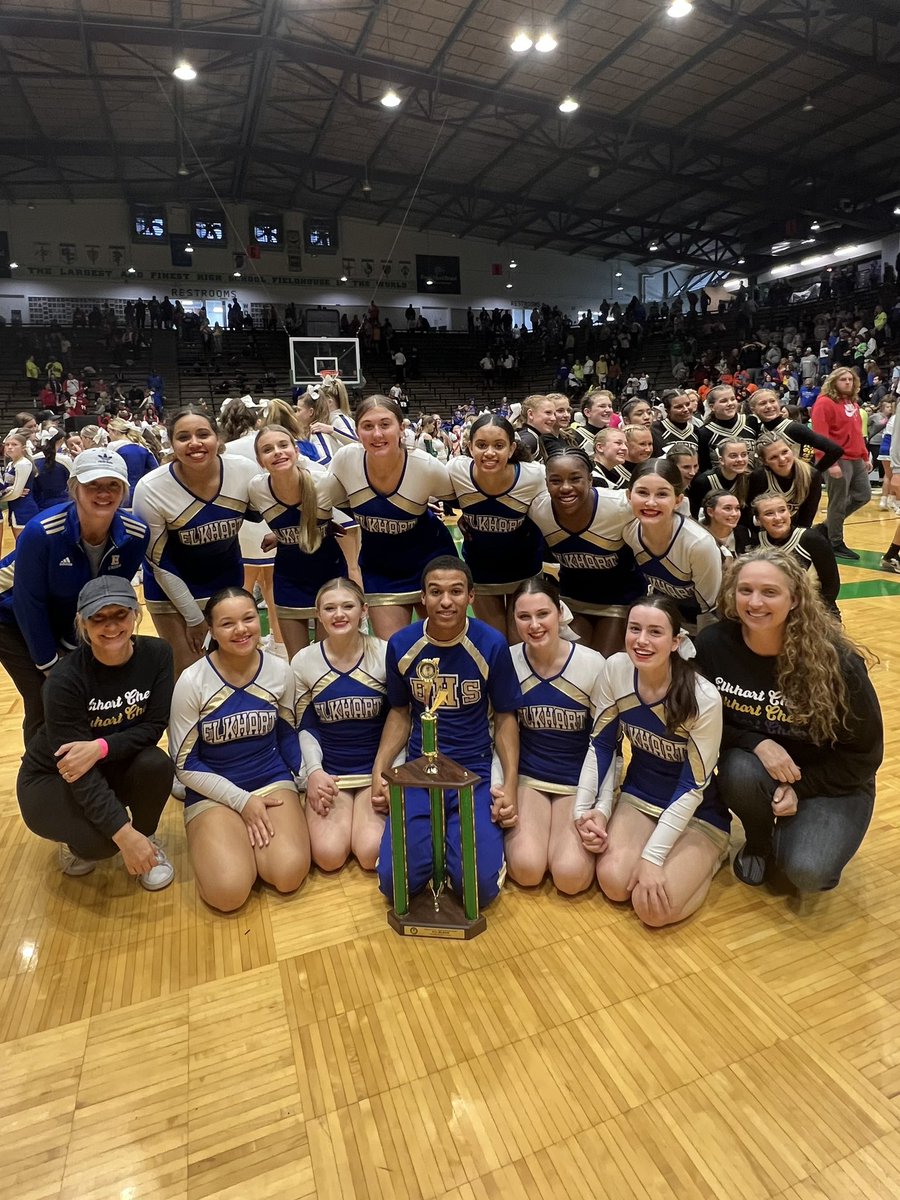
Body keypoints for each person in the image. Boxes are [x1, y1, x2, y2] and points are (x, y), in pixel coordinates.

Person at [695, 550, 882, 892]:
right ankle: (759, 839)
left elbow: (864, 755)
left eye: (770, 592)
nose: (755, 603)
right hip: (758, 769)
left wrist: (800, 787)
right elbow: (703, 724)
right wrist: (757, 742)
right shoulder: (713, 645)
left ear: (795, 598)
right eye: (745, 590)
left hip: (832, 781)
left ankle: (794, 833)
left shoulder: (837, 663)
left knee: (808, 874)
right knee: (738, 768)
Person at [371, 557, 521, 909]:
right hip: (417, 772)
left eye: (456, 592)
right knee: (396, 886)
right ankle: (426, 844)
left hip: (473, 772)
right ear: (422, 598)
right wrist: (382, 768)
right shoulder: (402, 645)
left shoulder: (492, 644)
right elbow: (399, 711)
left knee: (479, 890)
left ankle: (464, 853)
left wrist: (510, 781)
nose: (446, 601)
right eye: (436, 592)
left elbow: (505, 717)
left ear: (471, 596)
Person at [574, 596, 727, 926]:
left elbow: (692, 786)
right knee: (614, 883)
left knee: (653, 909)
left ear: (676, 642)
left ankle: (714, 853)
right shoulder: (616, 669)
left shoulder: (702, 698)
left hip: (698, 813)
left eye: (655, 632)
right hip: (639, 797)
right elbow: (601, 746)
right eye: (634, 629)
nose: (642, 641)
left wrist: (653, 857)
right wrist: (589, 811)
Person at [16, 577, 175, 888]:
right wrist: (122, 833)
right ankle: (78, 841)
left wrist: (101, 747)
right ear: (82, 624)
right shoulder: (64, 680)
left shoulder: (158, 655)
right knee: (103, 845)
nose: (111, 627)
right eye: (98, 618)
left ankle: (147, 842)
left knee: (156, 764)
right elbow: (75, 769)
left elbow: (154, 727)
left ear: (135, 613)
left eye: (120, 615)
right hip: (53, 775)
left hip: (107, 760)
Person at [168, 586, 310, 912]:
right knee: (228, 893)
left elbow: (288, 736)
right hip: (211, 787)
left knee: (289, 873)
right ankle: (226, 841)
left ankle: (245, 845)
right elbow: (185, 764)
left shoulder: (279, 670)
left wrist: (309, 776)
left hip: (269, 778)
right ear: (212, 631)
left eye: (248, 618)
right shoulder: (192, 682)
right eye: (227, 623)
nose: (241, 629)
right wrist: (242, 802)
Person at [0, 448, 148, 741]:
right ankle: (40, 776)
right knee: (45, 697)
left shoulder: (136, 533)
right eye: (93, 484)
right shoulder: (41, 532)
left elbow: (108, 594)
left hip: (65, 613)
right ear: (74, 488)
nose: (103, 493)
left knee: (84, 692)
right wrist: (50, 663)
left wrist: (74, 642)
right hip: (10, 615)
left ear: (124, 492)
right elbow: (29, 604)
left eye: (113, 485)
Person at [313, 396, 456, 639]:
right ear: (357, 431)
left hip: (431, 562)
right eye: (367, 426)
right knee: (393, 652)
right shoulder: (346, 460)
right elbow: (321, 501)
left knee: (445, 642)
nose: (377, 434)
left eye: (385, 424)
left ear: (401, 428)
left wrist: (462, 518)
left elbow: (461, 498)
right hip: (381, 569)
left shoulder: (426, 466)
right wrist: (320, 523)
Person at [132, 406, 260, 676]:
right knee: (190, 673)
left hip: (225, 583)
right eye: (183, 437)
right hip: (171, 590)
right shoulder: (151, 487)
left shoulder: (243, 470)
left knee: (235, 669)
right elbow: (158, 561)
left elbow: (268, 510)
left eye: (203, 434)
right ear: (171, 443)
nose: (195, 443)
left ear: (218, 437)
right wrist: (193, 618)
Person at [504, 577, 604, 895]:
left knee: (570, 876)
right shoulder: (507, 661)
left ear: (560, 613)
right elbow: (498, 736)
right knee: (527, 869)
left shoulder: (593, 664)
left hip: (577, 782)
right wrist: (502, 787)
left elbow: (607, 745)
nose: (534, 625)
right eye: (524, 617)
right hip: (530, 779)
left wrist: (600, 806)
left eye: (543, 614)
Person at [293, 579, 388, 872]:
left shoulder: (385, 654)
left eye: (348, 606)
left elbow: (399, 721)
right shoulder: (304, 661)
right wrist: (314, 772)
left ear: (364, 611)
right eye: (330, 608)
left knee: (371, 853)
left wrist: (388, 774)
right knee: (328, 855)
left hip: (375, 770)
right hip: (331, 772)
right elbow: (305, 725)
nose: (339, 614)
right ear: (318, 614)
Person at [529, 448, 641, 655]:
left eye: (575, 479)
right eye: (555, 481)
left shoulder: (620, 507)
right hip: (573, 602)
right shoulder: (539, 510)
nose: (565, 488)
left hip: (620, 602)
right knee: (573, 661)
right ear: (546, 484)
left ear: (590, 480)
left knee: (601, 662)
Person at [251, 425, 347, 658]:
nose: (277, 452)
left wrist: (320, 528)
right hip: (288, 577)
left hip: (329, 575)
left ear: (295, 451)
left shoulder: (323, 482)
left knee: (327, 658)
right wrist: (282, 534)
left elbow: (358, 510)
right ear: (260, 460)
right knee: (298, 660)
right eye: (268, 449)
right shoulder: (256, 488)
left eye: (283, 445)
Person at [448, 414, 547, 637]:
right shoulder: (457, 470)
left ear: (511, 449)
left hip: (525, 571)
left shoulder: (533, 476)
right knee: (496, 641)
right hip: (481, 571)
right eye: (481, 445)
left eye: (499, 445)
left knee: (520, 643)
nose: (490, 452)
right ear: (470, 447)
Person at [624, 457, 722, 633]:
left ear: (678, 500)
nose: (651, 502)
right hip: (668, 618)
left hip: (709, 621)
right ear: (628, 496)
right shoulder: (628, 532)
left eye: (662, 494)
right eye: (643, 493)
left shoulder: (698, 544)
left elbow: (711, 610)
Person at [811, 367, 871, 560]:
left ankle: (826, 527)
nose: (848, 382)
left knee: (863, 495)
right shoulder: (824, 403)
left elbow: (856, 432)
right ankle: (835, 541)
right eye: (843, 379)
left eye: (850, 379)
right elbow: (820, 435)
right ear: (834, 382)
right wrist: (829, 462)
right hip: (837, 459)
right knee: (837, 502)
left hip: (855, 458)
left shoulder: (851, 402)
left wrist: (864, 454)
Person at [751, 493, 840, 618]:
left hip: (816, 612)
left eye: (782, 510)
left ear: (789, 512)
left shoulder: (811, 539)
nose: (777, 517)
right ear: (758, 520)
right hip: (773, 614)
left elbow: (831, 586)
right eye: (769, 513)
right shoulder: (756, 543)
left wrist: (811, 615)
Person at [749, 388, 842, 473]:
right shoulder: (759, 429)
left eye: (772, 401)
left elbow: (835, 450)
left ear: (779, 403)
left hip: (796, 485)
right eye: (762, 403)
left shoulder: (795, 428)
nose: (769, 406)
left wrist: (814, 474)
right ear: (753, 410)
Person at [747, 432, 824, 529]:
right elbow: (750, 514)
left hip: (795, 531)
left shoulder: (812, 475)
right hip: (763, 531)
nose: (782, 459)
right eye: (773, 457)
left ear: (791, 449)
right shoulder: (759, 477)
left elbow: (806, 519)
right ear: (764, 462)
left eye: (785, 452)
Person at [697, 384, 757, 471]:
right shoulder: (704, 433)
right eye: (723, 401)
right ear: (711, 407)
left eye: (733, 399)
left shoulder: (751, 421)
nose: (730, 404)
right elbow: (704, 468)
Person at [688, 437, 751, 520]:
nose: (740, 459)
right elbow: (694, 515)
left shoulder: (749, 479)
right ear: (721, 460)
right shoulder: (704, 481)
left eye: (743, 455)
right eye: (733, 456)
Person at [105, 416, 158, 504]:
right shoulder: (142, 447)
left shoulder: (113, 446)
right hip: (142, 492)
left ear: (115, 431)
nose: (108, 435)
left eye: (109, 431)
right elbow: (155, 469)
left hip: (121, 492)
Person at [1, 432, 39, 538]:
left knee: (25, 547)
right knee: (19, 545)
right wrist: (9, 489)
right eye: (7, 444)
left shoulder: (23, 464)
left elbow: (16, 493)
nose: (9, 447)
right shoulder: (10, 464)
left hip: (25, 509)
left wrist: (6, 494)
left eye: (14, 444)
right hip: (14, 508)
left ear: (23, 447)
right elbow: (9, 488)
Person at [701, 489, 750, 556]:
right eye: (727, 508)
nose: (734, 514)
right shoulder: (698, 537)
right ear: (710, 512)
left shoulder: (745, 532)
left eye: (737, 508)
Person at [31, 431, 72, 511]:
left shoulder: (34, 459)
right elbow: (72, 482)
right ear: (61, 440)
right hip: (64, 505)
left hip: (40, 506)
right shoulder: (65, 460)